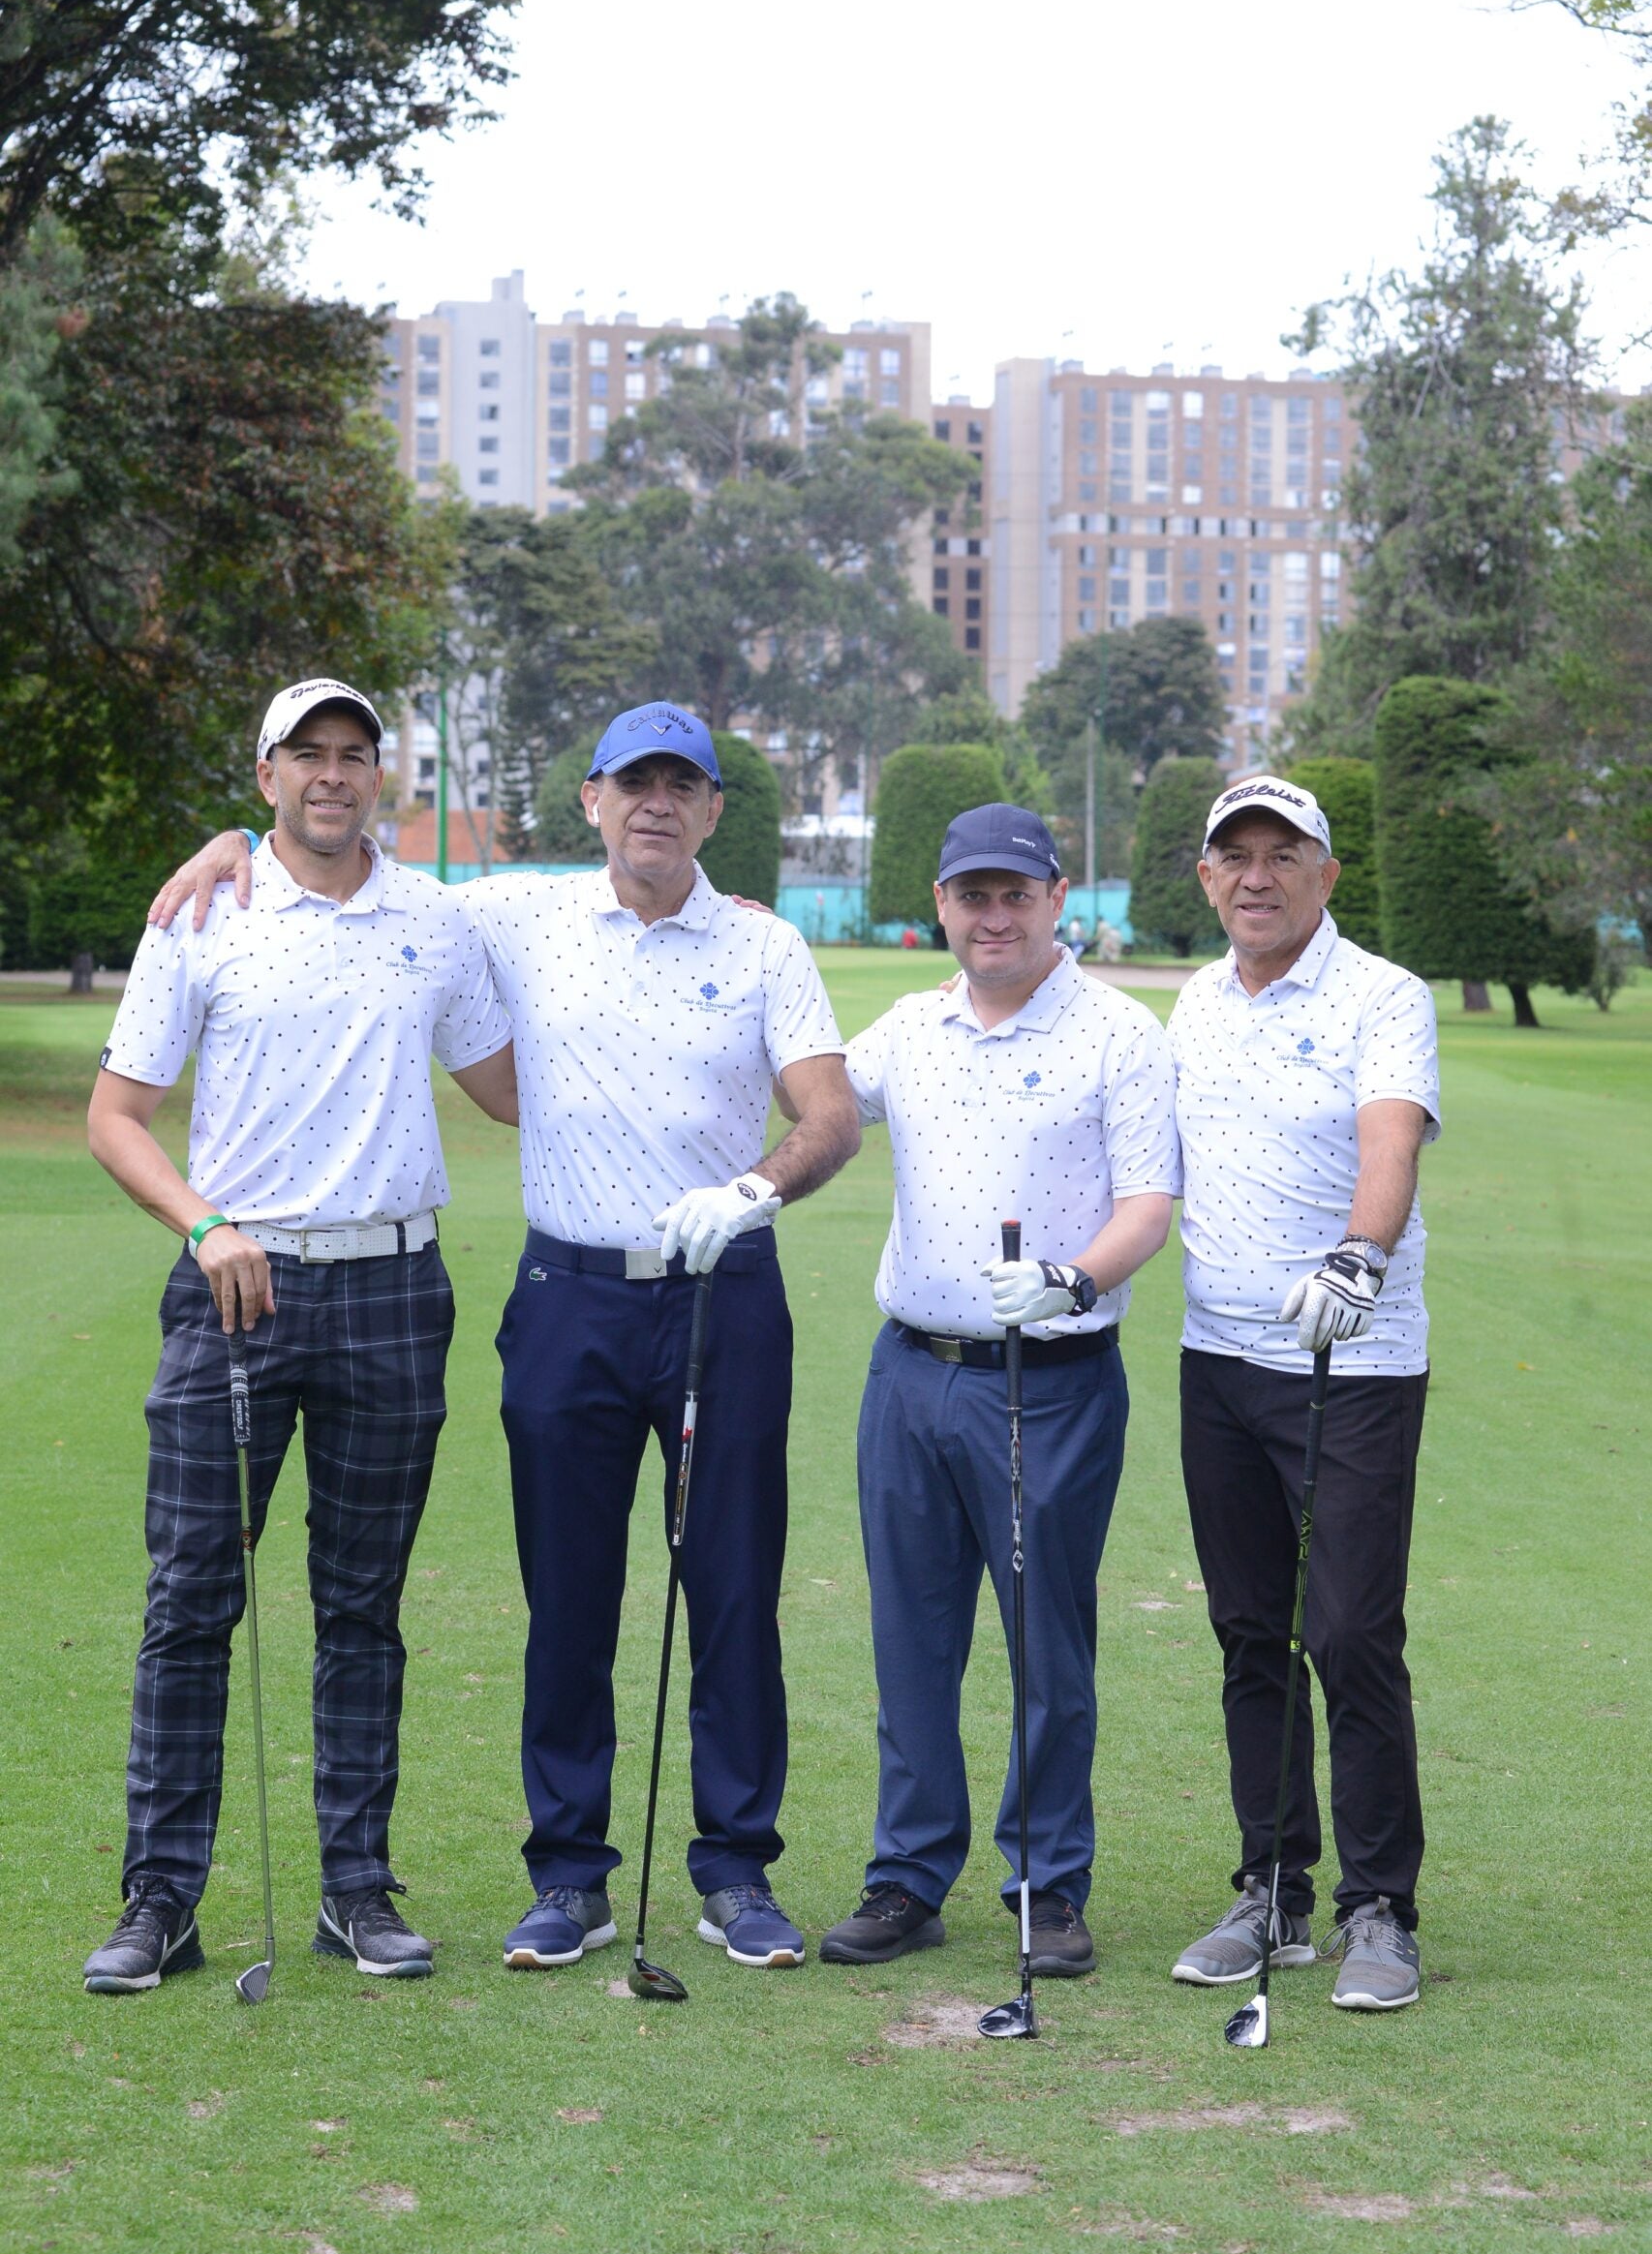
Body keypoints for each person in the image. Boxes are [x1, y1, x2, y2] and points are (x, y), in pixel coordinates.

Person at [150, 702, 861, 1976]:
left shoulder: (764, 947)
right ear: (590, 800)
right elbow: (336, 857)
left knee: (736, 1587)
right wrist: (226, 845)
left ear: (710, 811)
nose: (655, 804)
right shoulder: (506, 914)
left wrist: (751, 1192)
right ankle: (568, 1878)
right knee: (568, 1599)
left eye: (680, 788)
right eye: (631, 784)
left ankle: (735, 1872)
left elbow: (827, 1117)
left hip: (721, 1292)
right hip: (568, 1300)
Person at [82, 680, 518, 1995]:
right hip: (236, 1284)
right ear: (264, 774)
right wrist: (203, 1222)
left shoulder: (435, 920)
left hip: (393, 1288)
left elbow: (506, 1087)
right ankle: (161, 1900)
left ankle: (353, 1890)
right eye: (307, 756)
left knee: (361, 1608)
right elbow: (116, 1115)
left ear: (380, 777)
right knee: (190, 1602)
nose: (333, 776)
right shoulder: (205, 911)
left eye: (355, 756)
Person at [816, 805, 1180, 1974]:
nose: (992, 915)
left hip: (1049, 1381)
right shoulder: (909, 1028)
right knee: (910, 1640)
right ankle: (907, 1875)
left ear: (1055, 899)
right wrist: (742, 940)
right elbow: (813, 1096)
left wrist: (1072, 1279)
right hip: (909, 1371)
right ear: (940, 906)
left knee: (1045, 1646)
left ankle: (1045, 1885)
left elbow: (1147, 1206)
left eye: (1013, 894)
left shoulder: (1119, 1032)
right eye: (971, 894)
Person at [1166, 774, 1439, 2013]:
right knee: (1247, 1632)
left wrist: (1357, 1256)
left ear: (1326, 876)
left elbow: (1389, 1142)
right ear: (1207, 876)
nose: (1258, 875)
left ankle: (1377, 1905)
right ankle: (1270, 1885)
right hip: (1216, 1360)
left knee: (1345, 1632)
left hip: (1351, 1359)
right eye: (1237, 856)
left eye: (1285, 854)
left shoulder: (1382, 995)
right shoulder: (1190, 1003)